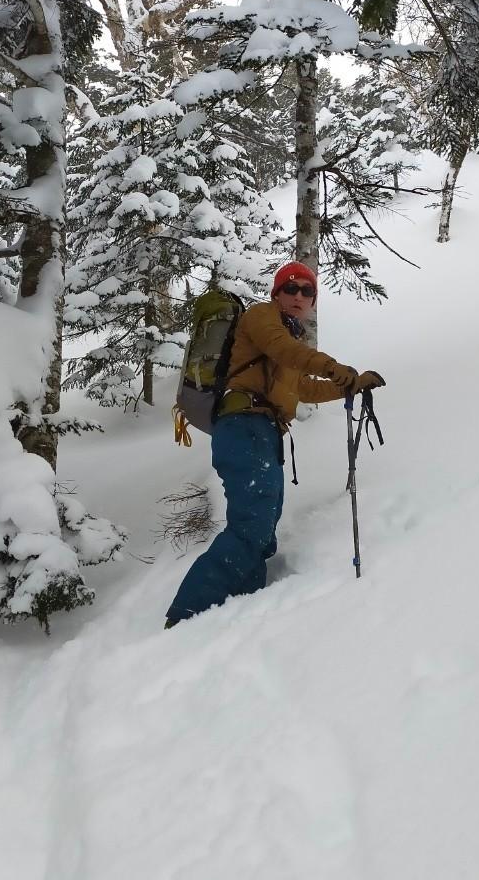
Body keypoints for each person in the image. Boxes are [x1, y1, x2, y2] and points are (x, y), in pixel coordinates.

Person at [165, 261, 385, 627]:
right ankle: (186, 616)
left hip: (263, 434)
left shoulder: (288, 341)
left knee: (262, 531)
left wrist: (352, 384)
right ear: (276, 294)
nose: (298, 295)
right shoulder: (262, 318)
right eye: (290, 288)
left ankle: (234, 613)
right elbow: (282, 349)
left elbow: (305, 389)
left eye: (307, 291)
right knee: (252, 524)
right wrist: (332, 366)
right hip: (244, 426)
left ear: (313, 301)